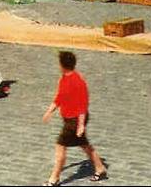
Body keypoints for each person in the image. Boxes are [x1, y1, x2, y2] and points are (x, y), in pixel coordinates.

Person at [41, 51, 109, 186]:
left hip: (74, 120)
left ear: (62, 65)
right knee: (84, 144)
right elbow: (59, 97)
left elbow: (82, 105)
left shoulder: (78, 82)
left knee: (60, 146)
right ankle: (100, 169)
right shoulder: (64, 78)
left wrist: (81, 125)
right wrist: (50, 111)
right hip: (70, 119)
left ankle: (54, 179)